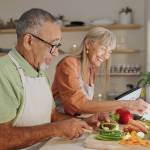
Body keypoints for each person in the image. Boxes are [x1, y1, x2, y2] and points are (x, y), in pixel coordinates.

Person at [0, 8, 110, 150]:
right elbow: (3, 138)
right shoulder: (4, 73)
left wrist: (84, 122)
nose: (56, 52)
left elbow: (52, 116)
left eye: (58, 46)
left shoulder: (40, 70)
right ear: (29, 41)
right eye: (53, 45)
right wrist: (55, 129)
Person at [52, 27, 148, 116]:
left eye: (110, 51)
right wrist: (127, 104)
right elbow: (77, 104)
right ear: (88, 44)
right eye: (103, 48)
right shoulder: (69, 63)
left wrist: (127, 109)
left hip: (76, 125)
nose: (106, 56)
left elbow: (87, 106)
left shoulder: (92, 68)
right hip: (60, 126)